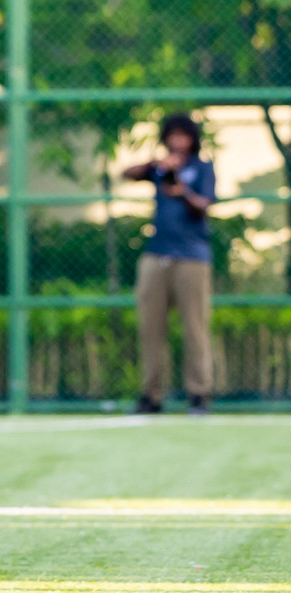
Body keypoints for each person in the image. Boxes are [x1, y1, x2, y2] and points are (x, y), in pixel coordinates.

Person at [123, 113, 215, 415]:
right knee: (150, 328)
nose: (178, 141)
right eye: (172, 135)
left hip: (192, 257)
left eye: (183, 135)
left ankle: (198, 395)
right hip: (157, 254)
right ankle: (151, 396)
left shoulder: (202, 168)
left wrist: (183, 192)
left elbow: (204, 206)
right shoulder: (160, 169)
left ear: (192, 139)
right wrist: (155, 167)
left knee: (195, 328)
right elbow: (127, 173)